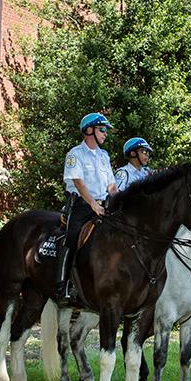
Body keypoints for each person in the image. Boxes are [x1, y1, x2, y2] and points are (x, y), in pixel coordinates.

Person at [57, 112, 117, 300]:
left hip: (103, 205)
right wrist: (93, 205)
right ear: (89, 130)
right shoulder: (75, 154)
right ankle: (63, 285)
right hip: (82, 206)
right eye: (102, 129)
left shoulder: (103, 156)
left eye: (105, 130)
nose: (105, 133)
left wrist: (119, 202)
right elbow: (79, 183)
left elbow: (111, 185)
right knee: (72, 239)